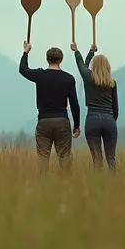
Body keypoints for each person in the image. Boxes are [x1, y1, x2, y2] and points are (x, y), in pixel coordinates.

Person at [19, 41, 81, 172]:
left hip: (44, 122)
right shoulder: (68, 79)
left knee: (42, 159)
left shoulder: (40, 75)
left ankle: (43, 183)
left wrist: (26, 52)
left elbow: (23, 70)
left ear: (47, 59)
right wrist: (76, 125)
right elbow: (74, 104)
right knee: (65, 159)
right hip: (62, 121)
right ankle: (66, 183)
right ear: (61, 60)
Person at [72, 41, 119, 171]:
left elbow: (82, 66)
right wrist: (111, 119)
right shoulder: (112, 83)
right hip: (109, 118)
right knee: (111, 158)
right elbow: (115, 107)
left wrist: (77, 51)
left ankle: (98, 181)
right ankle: (114, 181)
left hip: (93, 118)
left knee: (97, 159)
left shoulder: (89, 78)